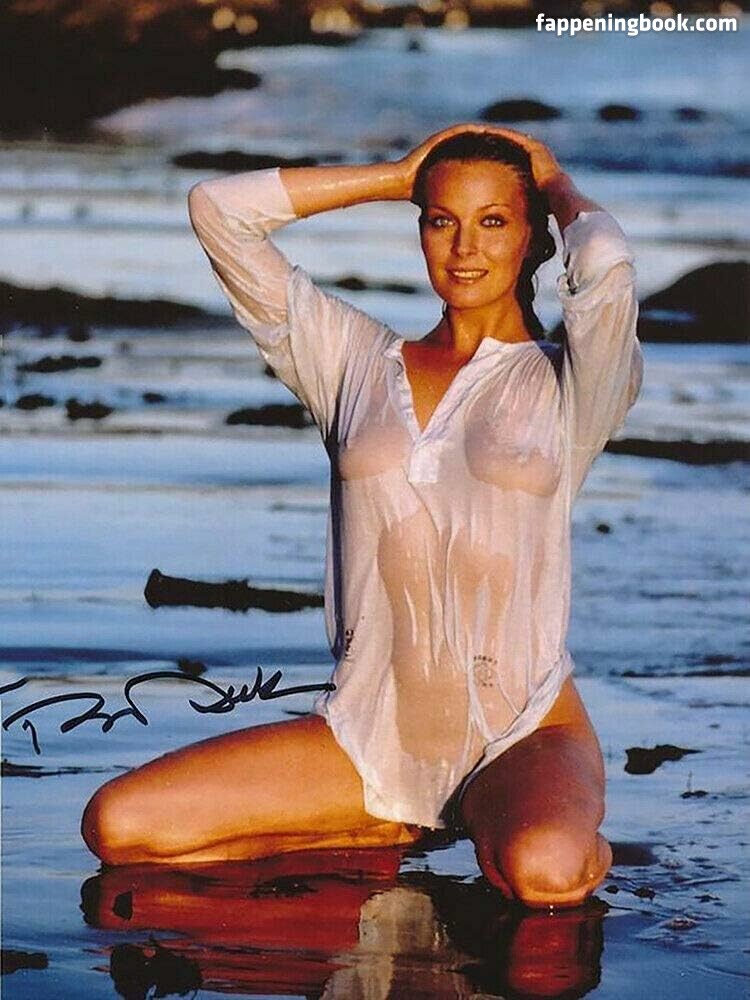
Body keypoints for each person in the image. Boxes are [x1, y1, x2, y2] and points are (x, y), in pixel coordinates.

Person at [82, 124, 643, 909]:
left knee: (544, 870)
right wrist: (396, 176)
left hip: (522, 730)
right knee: (118, 825)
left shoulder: (575, 385)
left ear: (531, 236)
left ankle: (551, 823)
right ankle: (378, 824)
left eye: (493, 221)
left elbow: (607, 262)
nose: (464, 248)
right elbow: (217, 209)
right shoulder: (351, 362)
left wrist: (553, 182)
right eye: (441, 220)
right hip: (367, 734)